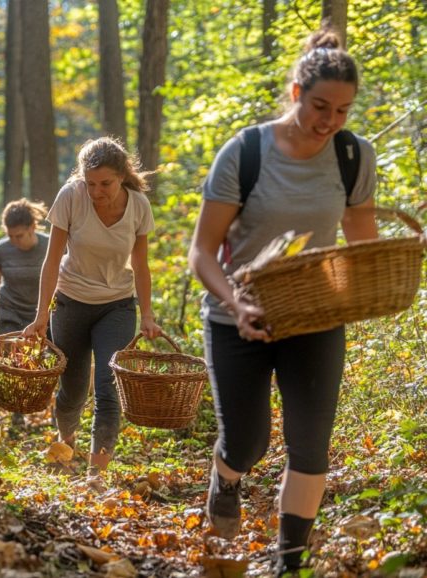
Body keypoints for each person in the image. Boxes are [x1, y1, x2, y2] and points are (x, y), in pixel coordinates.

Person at [187, 28, 378, 575]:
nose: (330, 121)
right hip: (235, 317)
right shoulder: (245, 152)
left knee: (311, 444)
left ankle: (290, 560)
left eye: (343, 110)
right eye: (320, 106)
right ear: (296, 93)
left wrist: (401, 259)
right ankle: (226, 478)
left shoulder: (352, 155)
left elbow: (363, 245)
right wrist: (237, 305)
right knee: (247, 441)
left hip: (315, 316)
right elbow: (201, 253)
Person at [22, 137, 162, 478]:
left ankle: (95, 475)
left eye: (106, 184)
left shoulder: (139, 205)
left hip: (117, 305)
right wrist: (41, 315)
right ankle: (65, 443)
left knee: (108, 384)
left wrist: (147, 314)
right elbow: (52, 260)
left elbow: (141, 266)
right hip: (71, 302)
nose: (97, 192)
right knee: (72, 388)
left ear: (123, 176)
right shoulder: (71, 196)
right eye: (90, 183)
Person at [0, 199, 50, 428]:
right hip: (10, 311)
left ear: (32, 227)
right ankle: (16, 414)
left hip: (41, 314)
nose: (14, 240)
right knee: (13, 362)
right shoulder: (1, 250)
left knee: (39, 363)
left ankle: (43, 406)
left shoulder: (50, 246)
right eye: (10, 235)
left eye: (19, 236)